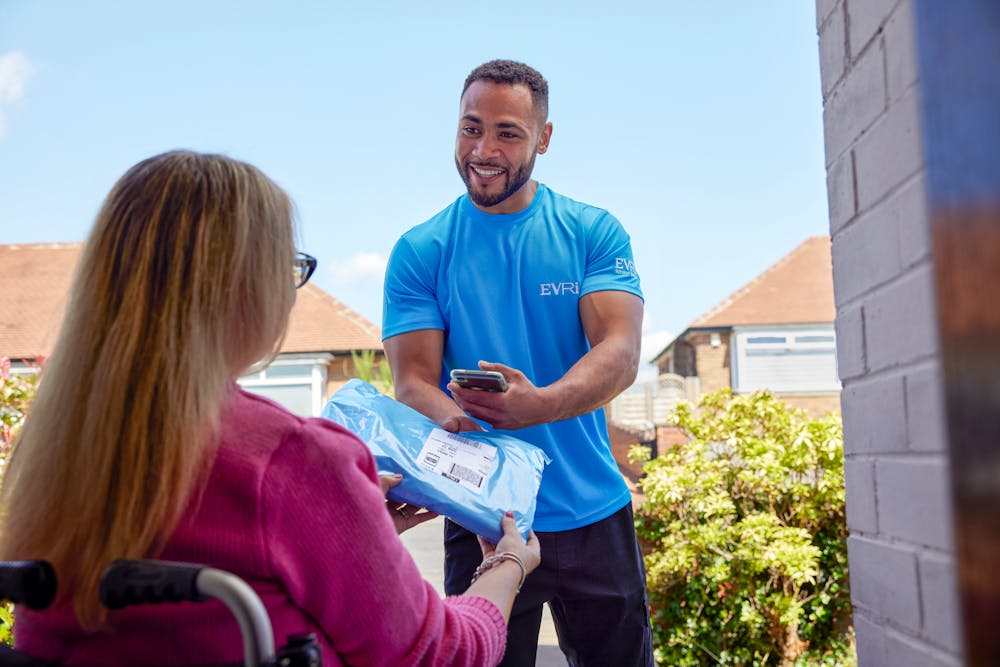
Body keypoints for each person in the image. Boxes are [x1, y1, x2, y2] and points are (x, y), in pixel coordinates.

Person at [0, 150, 540, 667]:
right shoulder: (292, 460)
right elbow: (439, 653)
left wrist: (353, 533)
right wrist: (506, 564)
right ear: (243, 289)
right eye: (286, 268)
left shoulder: (51, 458)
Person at [382, 60, 654, 666]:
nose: (484, 149)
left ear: (544, 138)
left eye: (508, 132)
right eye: (470, 128)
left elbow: (621, 350)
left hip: (593, 511)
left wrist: (541, 405)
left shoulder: (591, 231)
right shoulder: (421, 249)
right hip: (482, 517)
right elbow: (413, 381)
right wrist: (462, 424)